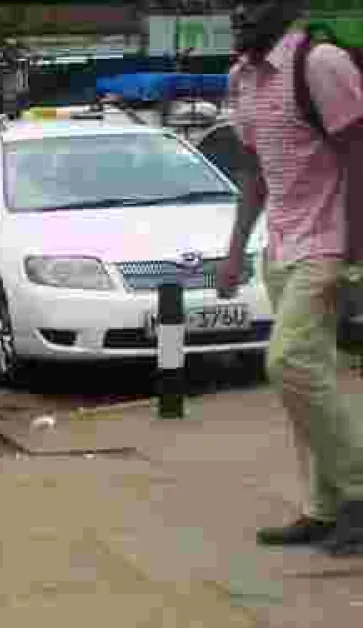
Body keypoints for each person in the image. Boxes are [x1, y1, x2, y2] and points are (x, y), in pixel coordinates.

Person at [216, 0, 363, 557]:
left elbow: (359, 159)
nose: (239, 14)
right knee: (307, 380)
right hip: (281, 248)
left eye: (252, 5)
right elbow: (254, 170)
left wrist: (355, 259)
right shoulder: (242, 77)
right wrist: (235, 252)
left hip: (330, 244)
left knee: (289, 362)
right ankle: (323, 509)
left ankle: (358, 491)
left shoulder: (320, 63)